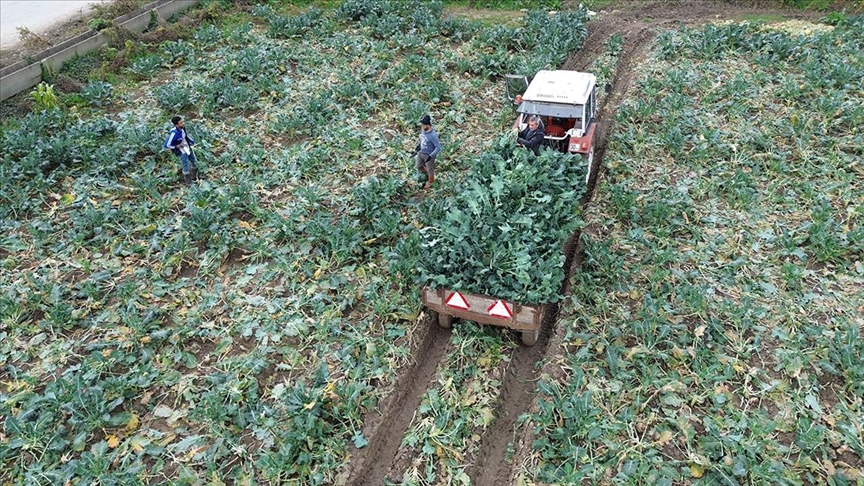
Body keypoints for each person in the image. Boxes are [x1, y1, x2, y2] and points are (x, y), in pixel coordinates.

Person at [163, 115, 198, 185]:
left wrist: (192, 141)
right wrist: (176, 146)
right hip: (181, 150)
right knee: (185, 163)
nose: (183, 124)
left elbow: (186, 136)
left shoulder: (182, 129)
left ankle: (194, 176)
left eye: (183, 122)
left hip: (187, 147)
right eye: (181, 123)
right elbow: (167, 145)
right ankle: (188, 181)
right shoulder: (174, 133)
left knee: (193, 160)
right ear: (176, 125)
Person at [414, 114, 441, 190]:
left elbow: (438, 147)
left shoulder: (433, 135)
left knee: (430, 169)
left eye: (423, 125)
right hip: (421, 152)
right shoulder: (423, 130)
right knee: (418, 166)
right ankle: (427, 173)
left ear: (428, 125)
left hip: (429, 155)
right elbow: (422, 139)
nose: (422, 126)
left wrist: (431, 156)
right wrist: (418, 147)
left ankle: (431, 181)